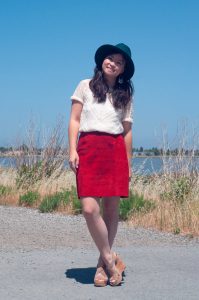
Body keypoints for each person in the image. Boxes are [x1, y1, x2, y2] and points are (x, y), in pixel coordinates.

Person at [68, 43, 135, 286]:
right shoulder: (85, 85)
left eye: (119, 61)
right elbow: (75, 119)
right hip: (88, 148)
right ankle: (110, 259)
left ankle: (100, 266)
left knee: (110, 210)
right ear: (102, 61)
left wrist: (128, 163)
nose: (113, 63)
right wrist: (72, 149)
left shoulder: (125, 95)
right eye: (110, 58)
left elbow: (127, 131)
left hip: (115, 151)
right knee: (89, 208)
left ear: (123, 69)